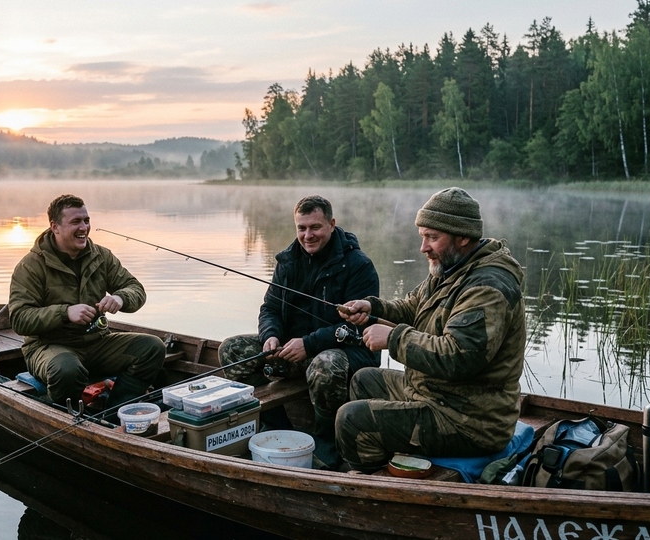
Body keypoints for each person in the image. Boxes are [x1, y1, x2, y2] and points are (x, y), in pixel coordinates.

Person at [337, 187, 526, 472]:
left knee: (351, 419)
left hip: (469, 420)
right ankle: (388, 460)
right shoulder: (451, 267)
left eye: (432, 238)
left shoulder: (488, 287)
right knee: (364, 380)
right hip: (436, 394)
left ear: (463, 237)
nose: (423, 247)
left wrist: (393, 338)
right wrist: (372, 308)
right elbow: (413, 307)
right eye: (423, 236)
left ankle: (374, 488)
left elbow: (459, 356)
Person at [219, 195, 380, 468]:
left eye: (315, 227)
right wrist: (269, 336)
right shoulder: (287, 261)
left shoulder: (358, 266)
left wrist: (308, 343)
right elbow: (269, 307)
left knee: (324, 365)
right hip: (292, 351)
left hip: (346, 354)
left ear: (331, 224)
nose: (308, 235)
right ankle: (275, 425)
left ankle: (327, 443)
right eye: (301, 228)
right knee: (231, 349)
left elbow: (357, 326)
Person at [8, 194, 166, 411]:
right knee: (67, 370)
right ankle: (66, 415)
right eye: (75, 222)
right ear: (55, 227)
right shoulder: (30, 266)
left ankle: (115, 411)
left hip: (97, 341)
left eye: (86, 220)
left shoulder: (101, 256)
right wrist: (65, 312)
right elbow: (19, 319)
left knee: (153, 347)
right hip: (48, 346)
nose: (84, 227)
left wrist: (120, 298)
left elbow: (136, 289)